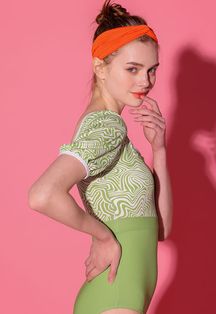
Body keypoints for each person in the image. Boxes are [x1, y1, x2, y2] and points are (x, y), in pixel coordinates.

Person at [28, 0, 173, 313]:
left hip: (125, 297)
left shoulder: (115, 132)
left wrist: (158, 150)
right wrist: (103, 236)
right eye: (132, 69)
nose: (145, 81)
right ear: (100, 67)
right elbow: (42, 194)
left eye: (151, 70)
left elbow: (162, 230)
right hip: (115, 298)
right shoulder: (107, 125)